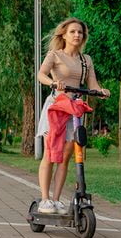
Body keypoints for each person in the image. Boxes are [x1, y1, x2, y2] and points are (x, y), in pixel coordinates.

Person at [36, 17, 110, 215]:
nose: (77, 35)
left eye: (80, 32)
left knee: (67, 156)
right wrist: (53, 82)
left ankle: (57, 199)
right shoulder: (55, 55)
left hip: (74, 108)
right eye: (73, 32)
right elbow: (41, 74)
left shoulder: (86, 61)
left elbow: (92, 84)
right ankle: (45, 199)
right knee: (51, 153)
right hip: (56, 106)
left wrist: (100, 91)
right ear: (64, 34)